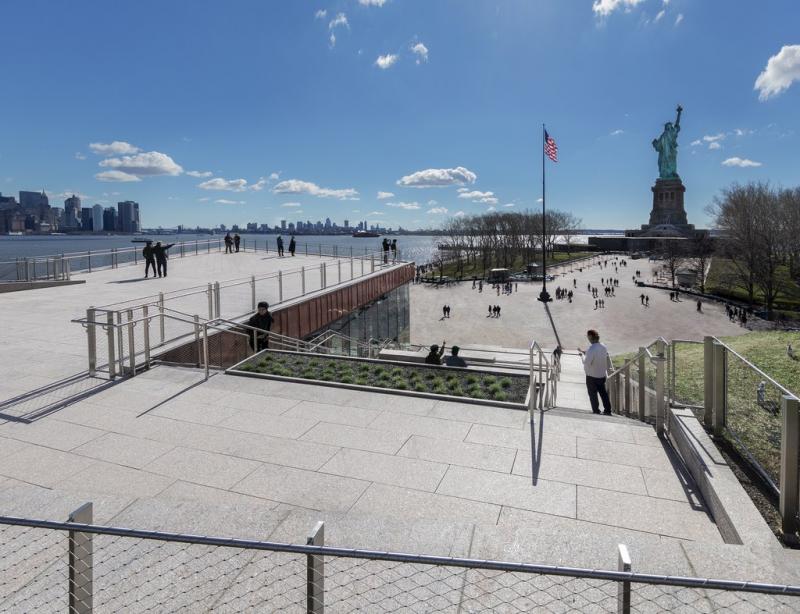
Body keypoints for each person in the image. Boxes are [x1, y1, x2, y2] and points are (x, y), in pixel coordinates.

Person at [578, 329, 613, 415]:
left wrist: (582, 356)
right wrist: (585, 352)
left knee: (593, 394)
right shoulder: (603, 346)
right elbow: (596, 355)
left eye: (588, 337)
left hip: (591, 376)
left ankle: (596, 411)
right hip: (601, 375)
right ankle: (608, 410)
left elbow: (586, 363)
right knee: (603, 393)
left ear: (590, 337)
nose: (588, 338)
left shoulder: (592, 349)